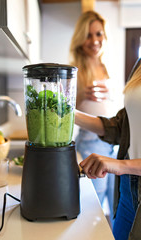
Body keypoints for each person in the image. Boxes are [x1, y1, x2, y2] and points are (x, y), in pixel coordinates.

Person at [75, 59, 141, 240]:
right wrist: (69, 112)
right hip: (128, 190)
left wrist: (122, 165)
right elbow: (121, 127)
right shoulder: (139, 64)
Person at [69, 10, 118, 225]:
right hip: (90, 142)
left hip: (113, 143)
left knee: (113, 205)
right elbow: (66, 109)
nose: (94, 40)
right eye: (88, 35)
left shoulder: (108, 67)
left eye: (98, 34)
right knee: (94, 205)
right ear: (80, 39)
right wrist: (80, 96)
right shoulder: (74, 69)